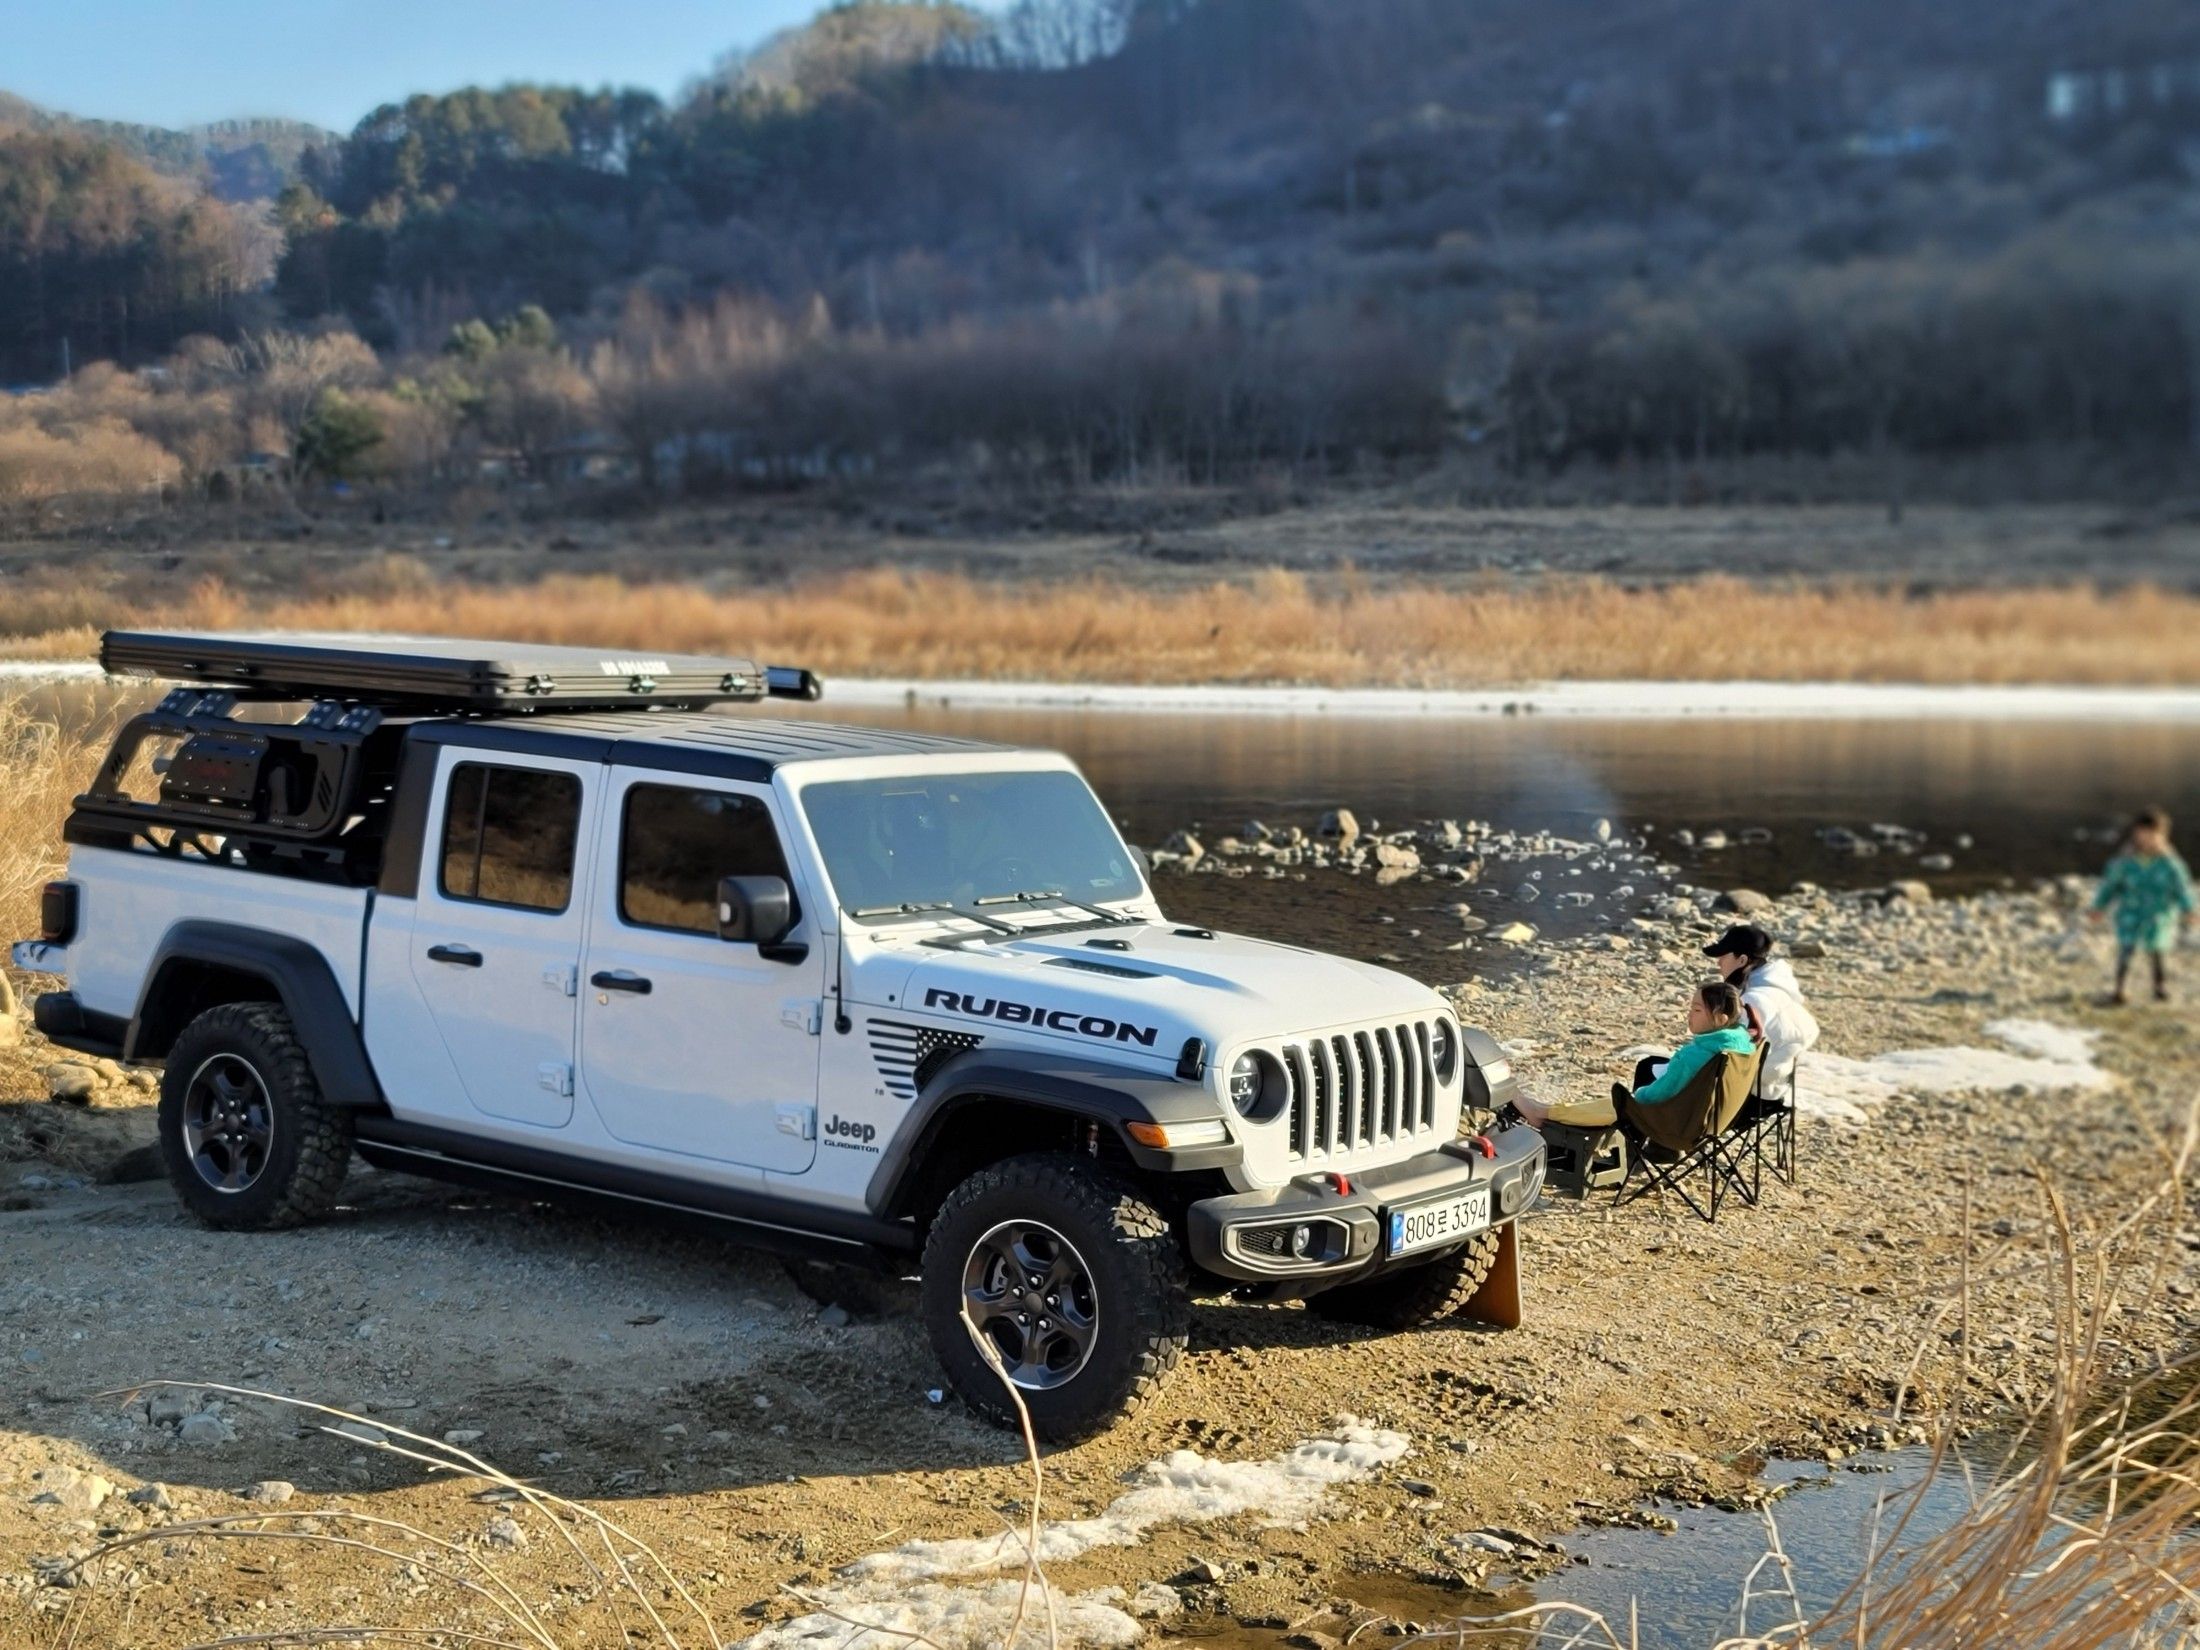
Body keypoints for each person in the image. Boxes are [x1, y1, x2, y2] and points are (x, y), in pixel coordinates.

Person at [1512, 980, 1757, 1131]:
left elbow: (1657, 1095)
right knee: (1617, 1102)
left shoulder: (1696, 1055)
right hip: (1713, 1122)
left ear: (1720, 1019)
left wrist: (1637, 1095)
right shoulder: (1742, 1045)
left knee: (1619, 1104)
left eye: (1696, 1010)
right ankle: (1547, 1110)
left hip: (1677, 1126)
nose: (1688, 1015)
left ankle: (1541, 1114)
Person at [2089, 807, 2195, 1005]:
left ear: (2163, 836)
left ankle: (2159, 987)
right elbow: (2110, 886)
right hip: (2130, 912)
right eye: (2142, 835)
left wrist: (2189, 909)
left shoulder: (2170, 864)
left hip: (2158, 914)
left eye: (2153, 835)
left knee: (2157, 949)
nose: (2147, 840)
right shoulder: (2124, 863)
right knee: (2126, 948)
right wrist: (2098, 907)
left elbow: (2182, 888)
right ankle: (2119, 988)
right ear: (2135, 835)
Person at [1703, 923, 1819, 1100]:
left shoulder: (1752, 1002)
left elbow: (1727, 1058)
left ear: (1741, 960)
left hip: (1743, 1095)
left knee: (1652, 1070)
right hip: (1776, 1090)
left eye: (1723, 956)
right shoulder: (1781, 992)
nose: (1718, 962)